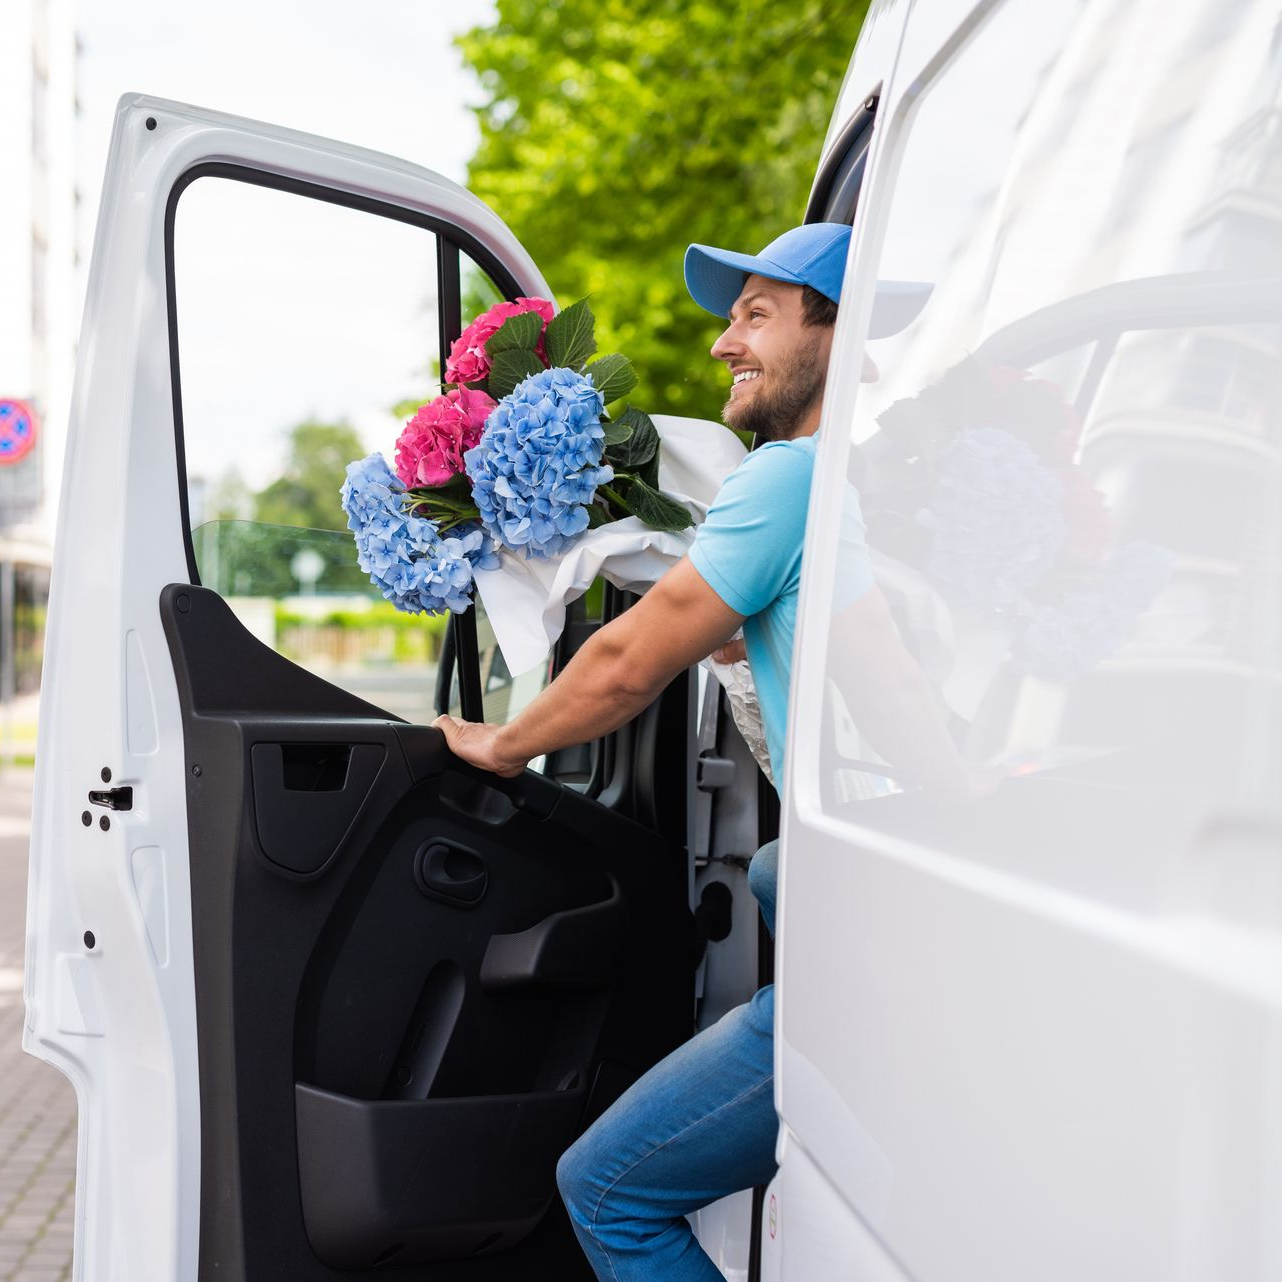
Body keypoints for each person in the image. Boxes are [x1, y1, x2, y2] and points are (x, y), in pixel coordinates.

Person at [434, 222, 976, 1280]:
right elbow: (886, 686)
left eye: (758, 314)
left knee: (609, 1189)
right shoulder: (867, 500)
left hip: (868, 952)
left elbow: (627, 662)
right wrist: (967, 790)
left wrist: (502, 744)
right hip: (899, 917)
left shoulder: (787, 481)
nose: (725, 342)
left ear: (842, 331)